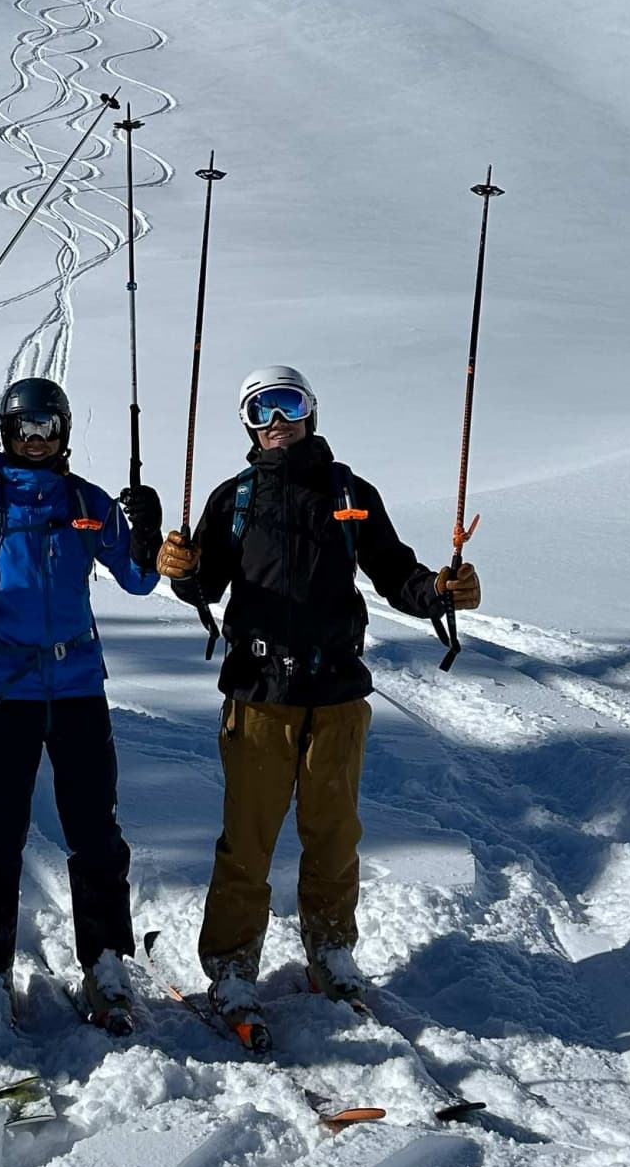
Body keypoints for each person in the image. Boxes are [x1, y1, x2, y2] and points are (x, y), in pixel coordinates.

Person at [156, 364, 480, 1040]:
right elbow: (207, 585)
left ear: (310, 411)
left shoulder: (349, 493)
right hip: (259, 692)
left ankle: (330, 951)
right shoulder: (234, 499)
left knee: (333, 835)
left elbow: (395, 571)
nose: (276, 419)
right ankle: (231, 966)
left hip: (336, 694)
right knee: (248, 839)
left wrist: (440, 592)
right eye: (260, 408)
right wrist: (182, 572)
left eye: (288, 403)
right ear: (247, 423)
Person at [0, 375, 162, 1031]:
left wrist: (145, 532)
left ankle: (106, 966)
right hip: (8, 694)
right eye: (24, 430)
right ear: (6, 434)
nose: (35, 440)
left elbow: (138, 580)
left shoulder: (84, 504)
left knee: (96, 835)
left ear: (64, 432)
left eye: (47, 428)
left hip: (78, 689)